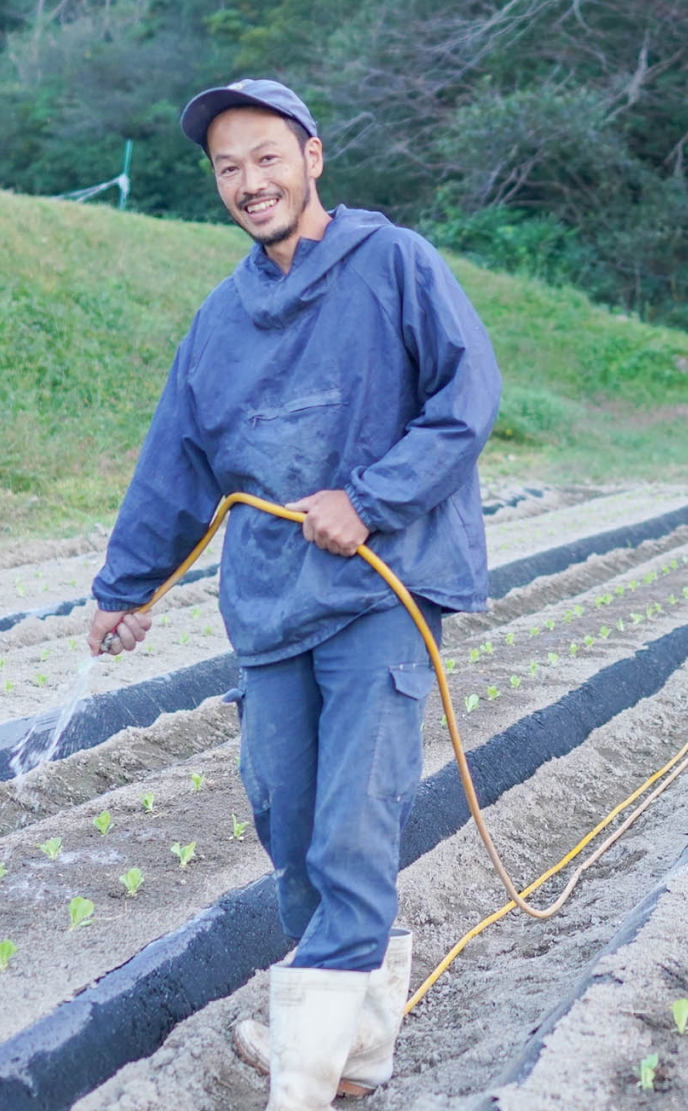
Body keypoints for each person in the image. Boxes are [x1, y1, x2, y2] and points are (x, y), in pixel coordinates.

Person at [86, 77, 501, 1110]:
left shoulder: (394, 263)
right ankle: (357, 1046)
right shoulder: (222, 320)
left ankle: (305, 1083)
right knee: (287, 820)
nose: (249, 181)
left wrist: (370, 497)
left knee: (353, 828)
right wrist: (127, 587)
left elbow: (467, 398)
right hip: (272, 605)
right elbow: (177, 464)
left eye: (267, 156)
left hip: (378, 590)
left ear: (312, 156)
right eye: (228, 166)